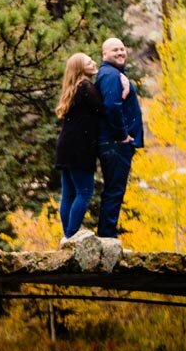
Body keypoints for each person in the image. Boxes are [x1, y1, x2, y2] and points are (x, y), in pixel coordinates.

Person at [94, 36, 144, 239]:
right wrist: (122, 135)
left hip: (115, 143)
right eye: (115, 50)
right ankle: (107, 236)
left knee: (114, 189)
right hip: (115, 143)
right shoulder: (110, 75)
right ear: (104, 54)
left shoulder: (114, 74)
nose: (121, 52)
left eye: (122, 49)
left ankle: (108, 235)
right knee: (114, 190)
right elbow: (111, 107)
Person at [54, 52, 101, 245]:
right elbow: (101, 109)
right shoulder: (86, 87)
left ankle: (68, 235)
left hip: (65, 146)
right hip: (80, 148)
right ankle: (71, 236)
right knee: (84, 192)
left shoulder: (72, 89)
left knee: (68, 193)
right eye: (89, 62)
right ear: (80, 69)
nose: (94, 63)